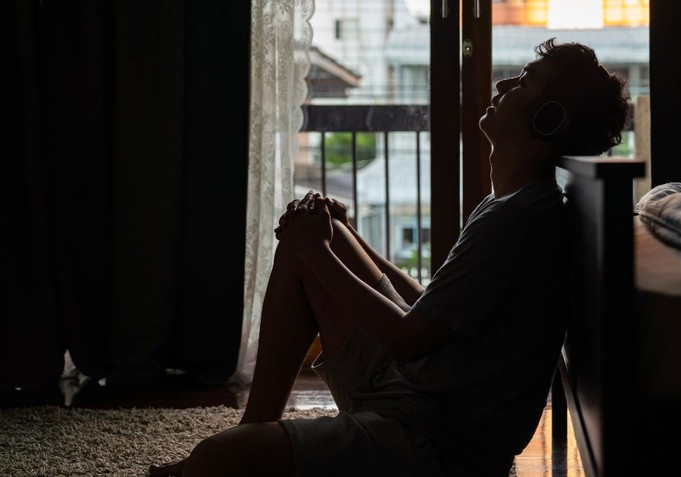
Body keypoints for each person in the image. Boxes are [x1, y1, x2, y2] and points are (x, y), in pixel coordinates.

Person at [149, 38, 628, 477]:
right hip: (417, 396)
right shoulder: (516, 204)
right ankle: (253, 430)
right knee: (327, 234)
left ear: (548, 119)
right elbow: (431, 310)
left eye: (524, 81)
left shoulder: (520, 218)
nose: (504, 84)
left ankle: (244, 448)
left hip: (433, 444)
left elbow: (406, 338)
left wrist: (316, 251)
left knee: (214, 460)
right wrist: (345, 238)